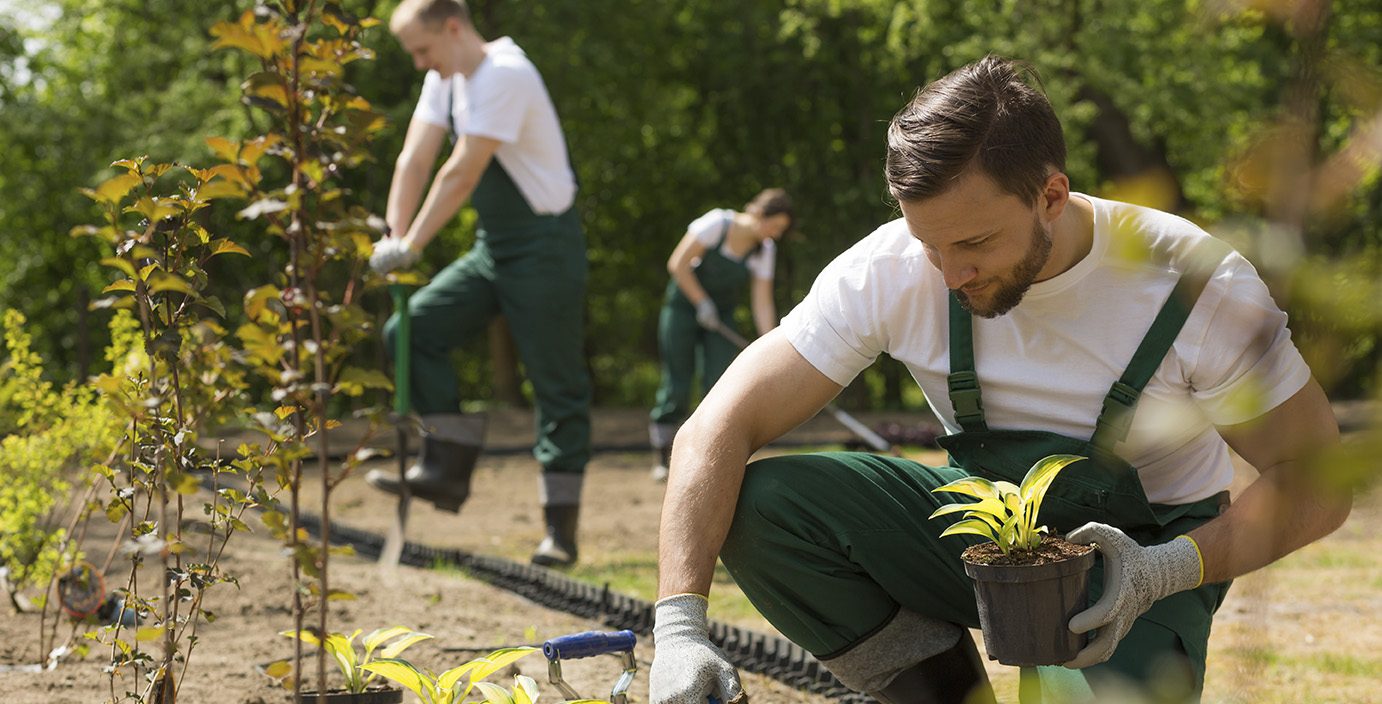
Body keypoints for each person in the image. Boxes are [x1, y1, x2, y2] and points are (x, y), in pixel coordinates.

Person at [648, 56, 1352, 704]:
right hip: (987, 537)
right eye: (930, 244)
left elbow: (1316, 479)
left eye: (975, 244)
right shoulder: (889, 270)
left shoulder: (1194, 287)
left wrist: (1161, 571)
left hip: (1149, 553)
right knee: (768, 507)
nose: (949, 274)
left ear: (1051, 195)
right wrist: (679, 627)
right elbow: (718, 424)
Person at [365, 0, 591, 567]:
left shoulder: (505, 74)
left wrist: (413, 246)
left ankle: (559, 534)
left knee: (556, 386)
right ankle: (445, 471)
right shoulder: (448, 79)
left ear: (453, 27)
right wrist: (394, 235)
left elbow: (460, 171)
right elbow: (414, 160)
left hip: (545, 249)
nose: (419, 64)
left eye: (422, 50)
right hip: (495, 249)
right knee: (411, 331)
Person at [648, 190, 794, 481]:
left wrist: (770, 342)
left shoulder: (764, 249)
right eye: (774, 227)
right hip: (684, 310)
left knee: (717, 384)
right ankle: (663, 458)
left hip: (721, 319)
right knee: (676, 384)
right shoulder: (717, 224)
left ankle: (703, 457)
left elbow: (762, 301)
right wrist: (701, 302)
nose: (774, 236)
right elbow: (678, 263)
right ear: (758, 214)